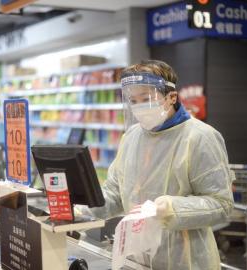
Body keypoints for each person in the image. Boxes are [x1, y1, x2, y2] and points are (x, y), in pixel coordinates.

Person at [87, 60, 234, 269]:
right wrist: (84, 207)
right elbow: (116, 192)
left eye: (146, 99)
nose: (138, 107)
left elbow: (221, 204)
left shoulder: (200, 137)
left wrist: (169, 209)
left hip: (185, 259)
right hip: (137, 257)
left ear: (171, 97)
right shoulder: (131, 137)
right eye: (133, 100)